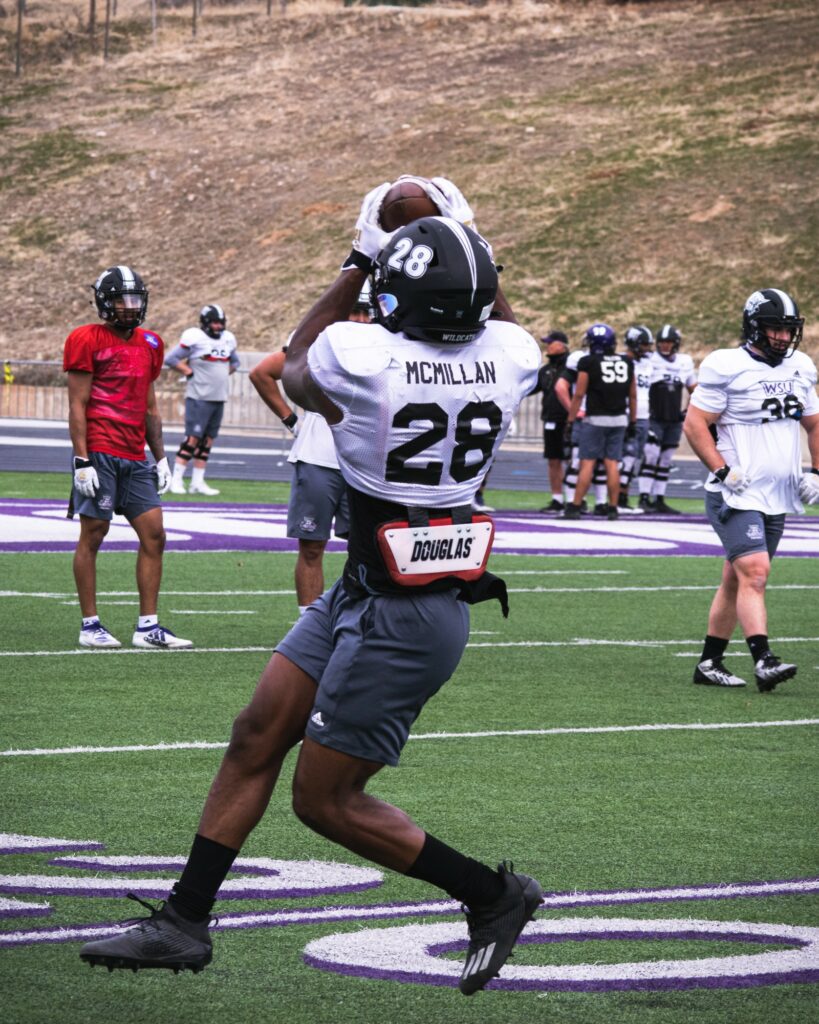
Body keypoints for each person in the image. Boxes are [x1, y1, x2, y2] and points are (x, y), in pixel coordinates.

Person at [79, 183, 544, 995]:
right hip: (377, 589)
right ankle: (185, 919)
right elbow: (502, 323)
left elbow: (295, 362)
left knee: (324, 802)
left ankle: (492, 894)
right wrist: (465, 239)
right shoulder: (509, 357)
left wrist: (361, 257)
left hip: (401, 615)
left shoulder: (367, 362)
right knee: (256, 731)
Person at [684, 288, 819, 691]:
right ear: (754, 327)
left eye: (787, 329)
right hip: (735, 492)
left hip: (778, 491)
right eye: (774, 328)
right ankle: (764, 659)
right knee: (756, 573)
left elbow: (814, 423)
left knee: (738, 578)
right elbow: (695, 424)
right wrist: (722, 471)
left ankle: (710, 663)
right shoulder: (726, 364)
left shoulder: (802, 365)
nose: (781, 337)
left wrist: (817, 471)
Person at [63, 265, 192, 651]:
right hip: (100, 449)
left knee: (155, 535)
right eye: (122, 300)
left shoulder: (151, 343)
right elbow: (77, 404)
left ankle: (147, 627)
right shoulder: (86, 339)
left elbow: (150, 406)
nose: (130, 307)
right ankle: (90, 624)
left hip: (136, 455)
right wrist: (81, 459)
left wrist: (161, 457)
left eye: (135, 299)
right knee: (94, 534)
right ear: (105, 302)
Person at [247, 287, 375, 613]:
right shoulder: (319, 335)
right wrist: (292, 421)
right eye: (354, 310)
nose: (360, 318)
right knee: (312, 546)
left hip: (366, 460)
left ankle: (360, 616)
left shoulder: (387, 339)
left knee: (369, 549)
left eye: (366, 311)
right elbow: (263, 372)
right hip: (319, 455)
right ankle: (309, 625)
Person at [165, 304, 241, 496]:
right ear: (206, 323)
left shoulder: (228, 339)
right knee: (192, 439)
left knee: (207, 441)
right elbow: (171, 359)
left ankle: (197, 481)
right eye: (215, 322)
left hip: (218, 397)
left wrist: (220, 377)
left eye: (221, 323)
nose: (218, 327)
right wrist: (189, 372)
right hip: (199, 397)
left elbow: (235, 362)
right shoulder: (195, 337)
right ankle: (176, 479)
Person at [563, 323, 636, 520]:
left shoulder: (588, 362)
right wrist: (634, 421)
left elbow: (579, 394)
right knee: (612, 464)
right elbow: (633, 395)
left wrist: (570, 420)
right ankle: (612, 508)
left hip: (595, 419)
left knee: (587, 463)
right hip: (620, 419)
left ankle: (575, 506)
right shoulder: (627, 362)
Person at [637, 323, 697, 513]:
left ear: (675, 343)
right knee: (651, 456)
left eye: (668, 342)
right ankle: (644, 498)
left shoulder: (684, 362)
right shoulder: (650, 360)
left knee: (665, 459)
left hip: (673, 418)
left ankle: (659, 499)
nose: (665, 346)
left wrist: (688, 410)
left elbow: (694, 389)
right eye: (662, 342)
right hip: (654, 416)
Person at [531, 330, 569, 513]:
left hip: (569, 421)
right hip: (550, 420)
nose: (547, 346)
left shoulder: (571, 368)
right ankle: (557, 499)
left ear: (562, 345)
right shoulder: (546, 370)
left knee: (573, 461)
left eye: (551, 342)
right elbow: (530, 388)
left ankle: (577, 498)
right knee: (553, 460)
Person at [617, 325, 654, 510]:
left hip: (644, 416)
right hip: (627, 415)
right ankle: (617, 498)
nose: (647, 349)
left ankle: (622, 496)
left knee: (634, 459)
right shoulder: (622, 362)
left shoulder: (647, 363)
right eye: (644, 345)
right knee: (626, 458)